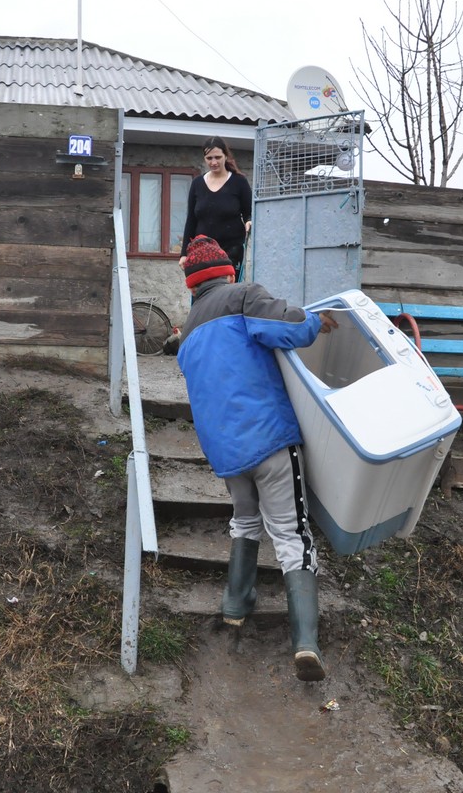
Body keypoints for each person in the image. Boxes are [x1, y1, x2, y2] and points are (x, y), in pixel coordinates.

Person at [175, 235, 338, 682]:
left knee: (246, 521)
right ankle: (306, 642)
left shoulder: (187, 331)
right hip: (268, 439)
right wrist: (314, 321)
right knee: (291, 532)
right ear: (228, 271)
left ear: (193, 286)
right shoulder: (244, 296)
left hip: (226, 453)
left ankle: (235, 604)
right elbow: (287, 327)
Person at [179, 137, 253, 280]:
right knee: (203, 293)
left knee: (226, 294)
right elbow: (191, 221)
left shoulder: (239, 182)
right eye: (209, 158)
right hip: (202, 251)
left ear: (226, 156)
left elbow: (249, 212)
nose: (213, 162)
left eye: (218, 157)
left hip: (231, 251)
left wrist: (249, 221)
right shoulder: (197, 184)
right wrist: (184, 254)